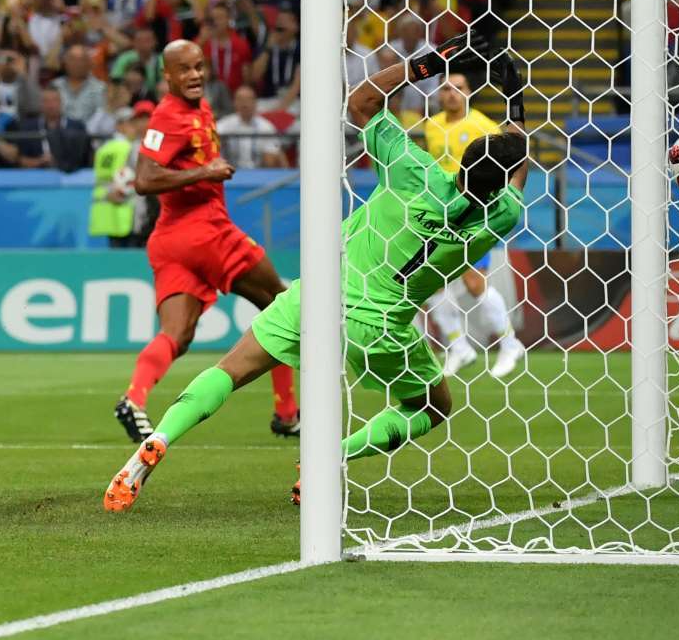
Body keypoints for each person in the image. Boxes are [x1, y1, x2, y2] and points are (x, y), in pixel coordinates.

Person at [104, 35, 530, 512]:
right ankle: (329, 460)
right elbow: (516, 167)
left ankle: (157, 439)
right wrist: (517, 102)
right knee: (432, 407)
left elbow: (362, 101)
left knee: (229, 369)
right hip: (382, 326)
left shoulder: (416, 171)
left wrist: (428, 63)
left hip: (320, 295)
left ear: (463, 160)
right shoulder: (498, 217)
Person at [112, 40, 299, 445]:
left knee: (177, 334)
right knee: (281, 305)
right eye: (184, 70)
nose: (194, 75)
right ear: (167, 76)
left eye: (199, 67)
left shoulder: (199, 105)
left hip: (171, 239)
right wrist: (204, 172)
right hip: (206, 231)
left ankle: (134, 398)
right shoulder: (167, 118)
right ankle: (287, 412)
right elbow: (145, 179)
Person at [422, 73, 527, 378]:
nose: (451, 93)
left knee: (473, 282)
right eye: (445, 88)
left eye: (458, 88)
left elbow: (505, 162)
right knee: (431, 282)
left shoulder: (482, 125)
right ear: (438, 94)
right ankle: (459, 346)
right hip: (441, 216)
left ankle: (510, 344)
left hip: (475, 213)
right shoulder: (432, 125)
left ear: (469, 92)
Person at [90, 100, 152, 247]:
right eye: (135, 121)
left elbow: (103, 181)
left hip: (114, 214)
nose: (141, 124)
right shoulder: (129, 147)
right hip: (132, 214)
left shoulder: (103, 149)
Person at [217, 85, 287, 169]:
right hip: (230, 174)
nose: (244, 104)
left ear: (255, 103)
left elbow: (271, 161)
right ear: (234, 102)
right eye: (240, 100)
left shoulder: (266, 127)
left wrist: (271, 156)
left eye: (248, 100)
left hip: (258, 175)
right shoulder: (224, 124)